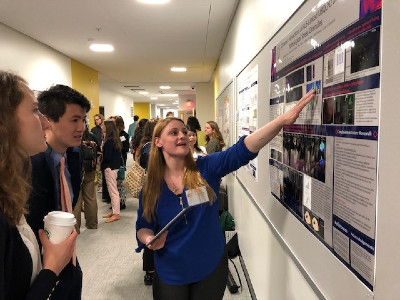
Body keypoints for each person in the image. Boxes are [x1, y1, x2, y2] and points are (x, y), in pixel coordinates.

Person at [135, 89, 315, 299]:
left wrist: (282, 121)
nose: (182, 135)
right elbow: (143, 225)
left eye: (184, 131)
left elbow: (243, 149)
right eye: (174, 133)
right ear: (158, 142)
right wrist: (149, 238)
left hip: (209, 266)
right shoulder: (151, 187)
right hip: (171, 269)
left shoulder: (206, 168)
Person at [27, 84, 90, 300]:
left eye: (83, 119)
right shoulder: (31, 163)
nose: (81, 127)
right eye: (74, 120)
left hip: (70, 259)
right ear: (49, 120)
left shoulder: (74, 154)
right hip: (40, 265)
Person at [136, 118, 159, 285]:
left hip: (152, 190)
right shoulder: (151, 149)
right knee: (152, 229)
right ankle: (150, 271)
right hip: (152, 191)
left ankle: (150, 269)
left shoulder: (147, 146)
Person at [73, 127, 99, 233]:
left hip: (76, 170)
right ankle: (92, 224)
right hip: (89, 170)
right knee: (91, 197)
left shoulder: (72, 137)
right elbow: (98, 151)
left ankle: (75, 228)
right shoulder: (91, 136)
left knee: (77, 199)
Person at [101, 120, 123, 223]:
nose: (101, 126)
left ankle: (116, 213)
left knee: (113, 191)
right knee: (112, 190)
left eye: (103, 125)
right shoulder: (115, 139)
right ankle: (114, 210)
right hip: (114, 167)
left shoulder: (109, 140)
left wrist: (103, 162)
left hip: (110, 167)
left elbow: (107, 156)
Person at [115, 116, 130, 210]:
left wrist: (117, 148)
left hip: (121, 160)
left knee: (120, 181)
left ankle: (122, 201)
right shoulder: (115, 135)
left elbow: (126, 148)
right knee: (116, 182)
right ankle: (118, 201)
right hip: (117, 159)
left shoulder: (123, 135)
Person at [91, 113, 104, 189]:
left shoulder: (105, 128)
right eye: (95, 120)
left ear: (101, 119)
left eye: (97, 119)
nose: (96, 121)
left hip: (105, 151)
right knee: (98, 170)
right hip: (97, 152)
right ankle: (100, 185)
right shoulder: (93, 130)